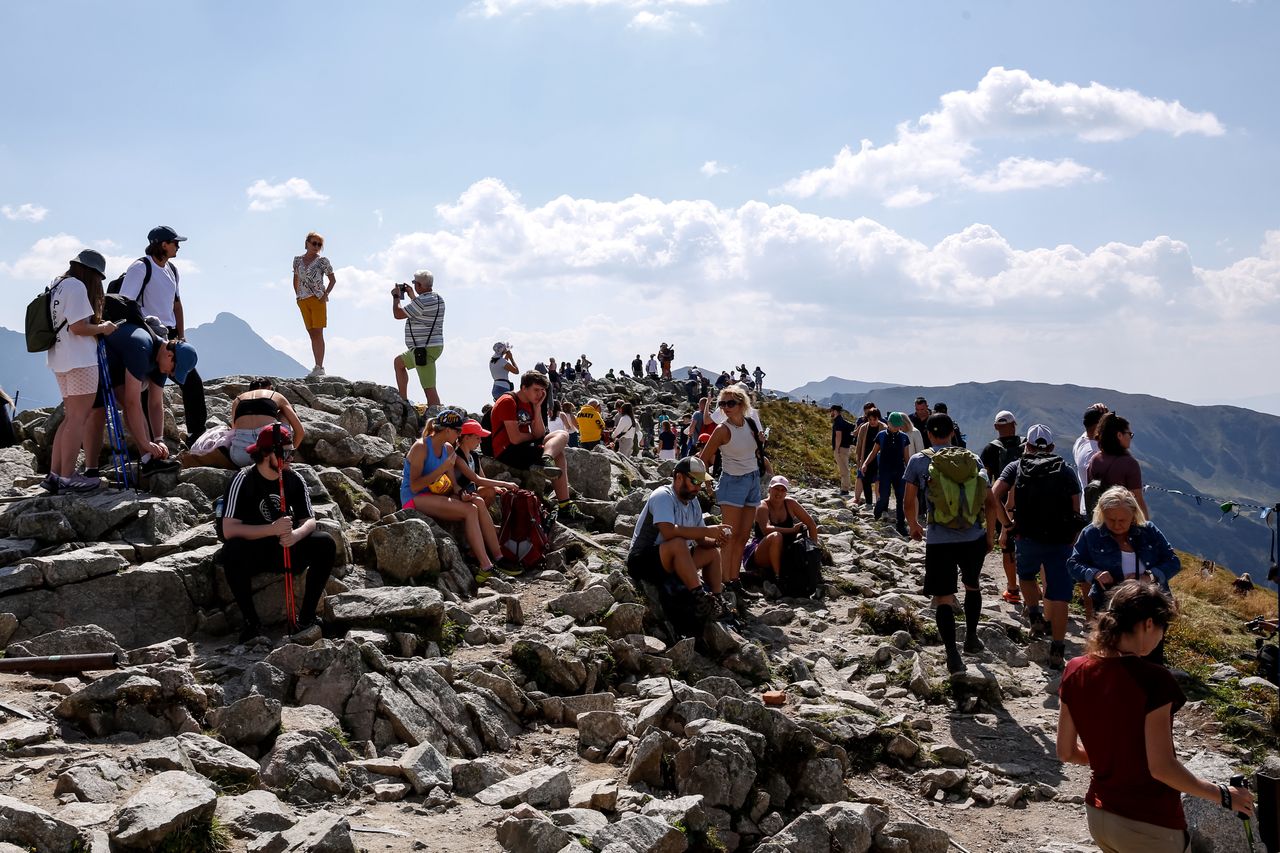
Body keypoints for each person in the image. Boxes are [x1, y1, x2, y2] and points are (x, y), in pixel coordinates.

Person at [1057, 582, 1253, 852]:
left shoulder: (1075, 668)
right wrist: (1222, 795)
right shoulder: (1154, 679)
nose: (1161, 636)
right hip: (1149, 824)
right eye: (1163, 629)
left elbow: (1066, 752)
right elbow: (1161, 768)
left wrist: (1116, 755)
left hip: (1099, 816)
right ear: (1149, 624)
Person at [904, 413, 1007, 674]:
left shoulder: (919, 461)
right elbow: (990, 501)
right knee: (972, 586)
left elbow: (908, 501)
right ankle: (971, 638)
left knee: (944, 597)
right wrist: (989, 535)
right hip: (972, 536)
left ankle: (952, 654)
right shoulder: (972, 458)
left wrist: (915, 525)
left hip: (939, 539)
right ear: (952, 433)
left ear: (928, 434)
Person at [221, 423, 335, 641]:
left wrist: (295, 536)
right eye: (285, 452)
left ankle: (307, 617)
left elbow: (309, 520)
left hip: (287, 546)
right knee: (232, 551)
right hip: (255, 549)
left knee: (325, 543)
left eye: (292, 451)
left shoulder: (294, 479)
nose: (291, 457)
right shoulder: (242, 480)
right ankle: (251, 623)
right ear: (266, 453)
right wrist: (271, 529)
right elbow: (229, 529)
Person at [992, 425, 1081, 669]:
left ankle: (1034, 616)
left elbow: (993, 495)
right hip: (1060, 540)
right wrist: (1073, 535)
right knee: (1059, 593)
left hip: (1026, 536)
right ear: (1051, 447)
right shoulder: (1065, 469)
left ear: (1027, 446)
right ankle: (1058, 648)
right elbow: (1076, 507)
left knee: (1027, 575)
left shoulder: (1016, 466)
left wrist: (1007, 524)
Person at [117, 225, 207, 443]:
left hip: (171, 334)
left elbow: (176, 304)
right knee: (148, 388)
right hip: (147, 333)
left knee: (191, 380)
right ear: (162, 244)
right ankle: (149, 443)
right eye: (175, 243)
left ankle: (196, 432)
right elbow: (124, 303)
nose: (178, 247)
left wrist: (181, 334)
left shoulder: (172, 269)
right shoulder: (140, 268)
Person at [83, 316, 198, 479]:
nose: (171, 374)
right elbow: (132, 403)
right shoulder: (142, 347)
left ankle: (148, 460)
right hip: (94, 360)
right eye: (173, 370)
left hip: (118, 365)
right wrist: (145, 443)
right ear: (170, 355)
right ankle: (90, 470)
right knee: (98, 413)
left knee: (130, 404)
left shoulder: (161, 361)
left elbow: (156, 404)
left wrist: (158, 440)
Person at [41, 250, 117, 493]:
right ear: (92, 272)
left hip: (59, 358)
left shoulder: (58, 284)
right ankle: (68, 477)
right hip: (80, 360)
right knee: (78, 419)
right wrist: (104, 328)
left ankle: (54, 475)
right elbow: (78, 327)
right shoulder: (76, 288)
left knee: (69, 418)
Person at [401, 409, 505, 574]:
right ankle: (486, 566)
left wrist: (462, 494)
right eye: (458, 431)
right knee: (470, 510)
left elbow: (453, 485)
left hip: (437, 495)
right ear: (447, 430)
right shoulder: (420, 447)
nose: (460, 434)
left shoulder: (448, 449)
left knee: (476, 502)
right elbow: (415, 486)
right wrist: (442, 468)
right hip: (414, 498)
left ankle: (499, 557)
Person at [627, 456, 729, 621]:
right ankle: (699, 598)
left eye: (700, 482)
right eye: (694, 481)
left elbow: (701, 539)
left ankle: (717, 598)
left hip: (674, 558)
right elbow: (668, 532)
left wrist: (716, 541)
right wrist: (707, 530)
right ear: (679, 477)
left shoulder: (694, 502)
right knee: (678, 543)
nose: (698, 487)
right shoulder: (663, 496)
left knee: (711, 552)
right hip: (643, 560)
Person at [699, 384, 768, 617]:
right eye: (722, 404)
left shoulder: (749, 424)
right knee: (727, 536)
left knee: (742, 535)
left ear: (742, 404)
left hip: (751, 481)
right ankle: (722, 583)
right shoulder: (722, 430)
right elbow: (703, 458)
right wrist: (708, 484)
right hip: (732, 483)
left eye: (731, 403)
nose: (726, 408)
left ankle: (734, 579)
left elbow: (755, 451)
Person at [1068, 486, 1179, 620]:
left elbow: (1173, 562)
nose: (1116, 525)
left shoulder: (1148, 531)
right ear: (1101, 513)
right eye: (1110, 519)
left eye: (1122, 520)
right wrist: (1095, 574)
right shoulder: (1091, 533)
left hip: (1151, 607)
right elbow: (1073, 564)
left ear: (1133, 514)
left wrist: (1149, 577)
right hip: (1109, 608)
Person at [491, 371, 580, 519]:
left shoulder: (532, 403)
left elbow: (539, 434)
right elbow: (515, 438)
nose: (540, 394)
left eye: (542, 391)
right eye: (536, 390)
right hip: (507, 451)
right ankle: (564, 505)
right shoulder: (508, 401)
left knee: (562, 434)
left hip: (523, 446)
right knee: (559, 454)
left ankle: (547, 459)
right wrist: (532, 436)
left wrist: (537, 408)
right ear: (524, 387)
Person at [183, 378, 307, 470]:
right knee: (284, 414)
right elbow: (300, 431)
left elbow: (234, 429)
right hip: (270, 453)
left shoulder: (238, 399)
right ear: (269, 388)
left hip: (239, 455)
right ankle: (283, 452)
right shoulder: (277, 396)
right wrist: (288, 454)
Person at [982, 410, 1025, 605]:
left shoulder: (991, 449)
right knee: (1033, 546)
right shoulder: (1027, 445)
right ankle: (1039, 589)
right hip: (1029, 505)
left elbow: (986, 479)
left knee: (1007, 546)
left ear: (995, 427)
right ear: (1014, 425)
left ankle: (1012, 589)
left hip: (1001, 505)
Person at [743, 475, 819, 585]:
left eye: (783, 490)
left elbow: (811, 524)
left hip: (784, 550)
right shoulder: (762, 506)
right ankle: (778, 578)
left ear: (786, 492)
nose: (779, 493)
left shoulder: (790, 503)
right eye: (776, 489)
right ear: (769, 489)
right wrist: (792, 530)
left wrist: (812, 553)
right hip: (761, 551)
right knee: (776, 536)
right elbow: (766, 530)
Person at [1071, 403, 1109, 619]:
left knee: (1089, 566)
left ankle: (1090, 615)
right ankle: (1094, 617)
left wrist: (1099, 413)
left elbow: (1089, 429)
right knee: (1098, 568)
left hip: (1087, 511)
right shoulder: (1095, 455)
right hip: (1097, 513)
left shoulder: (1081, 442)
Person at [391, 270, 445, 405]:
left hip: (423, 349)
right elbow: (422, 310)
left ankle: (436, 420)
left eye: (415, 283)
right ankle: (403, 400)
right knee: (399, 363)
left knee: (429, 388)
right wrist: (412, 296)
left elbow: (398, 314)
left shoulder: (421, 302)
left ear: (420, 285)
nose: (413, 285)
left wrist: (396, 297)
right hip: (430, 346)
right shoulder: (437, 298)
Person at [1086, 413, 1150, 519]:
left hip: (1100, 518)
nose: (1130, 437)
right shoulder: (1129, 463)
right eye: (1129, 434)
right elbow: (1137, 498)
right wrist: (1146, 526)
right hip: (1122, 520)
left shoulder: (1095, 459)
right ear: (1119, 435)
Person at [292, 232, 336, 378]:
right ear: (307, 243)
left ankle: (320, 366)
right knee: (311, 333)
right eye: (314, 243)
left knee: (318, 332)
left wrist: (325, 295)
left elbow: (332, 280)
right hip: (303, 300)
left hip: (317, 299)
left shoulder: (322, 261)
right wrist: (297, 296)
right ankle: (316, 366)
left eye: (319, 244)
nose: (316, 246)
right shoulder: (297, 260)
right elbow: (296, 278)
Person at [861, 412, 912, 536]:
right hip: (884, 471)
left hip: (900, 471)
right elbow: (874, 452)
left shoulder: (904, 437)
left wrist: (910, 471)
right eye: (894, 425)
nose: (896, 428)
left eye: (898, 426)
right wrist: (865, 463)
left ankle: (901, 525)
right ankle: (877, 513)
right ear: (888, 423)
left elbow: (907, 457)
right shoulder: (881, 435)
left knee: (901, 498)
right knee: (884, 496)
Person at [454, 419, 514, 508]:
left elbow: (483, 479)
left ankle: (480, 517)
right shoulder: (457, 457)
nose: (480, 441)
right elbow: (477, 480)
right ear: (466, 438)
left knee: (491, 490)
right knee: (488, 491)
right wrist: (505, 483)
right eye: (477, 438)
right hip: (460, 495)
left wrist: (496, 487)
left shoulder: (474, 455)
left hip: (470, 492)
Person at [1073, 403, 1110, 492]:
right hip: (1095, 504)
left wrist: (1094, 409)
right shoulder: (1094, 453)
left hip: (1086, 504)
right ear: (1099, 426)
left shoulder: (1081, 441)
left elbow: (1090, 428)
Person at [853, 408, 885, 509]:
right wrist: (858, 459)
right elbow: (859, 444)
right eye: (870, 419)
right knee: (865, 479)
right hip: (865, 456)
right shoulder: (863, 428)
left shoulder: (884, 428)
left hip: (879, 459)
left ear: (878, 418)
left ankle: (880, 503)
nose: (872, 422)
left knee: (879, 481)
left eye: (874, 420)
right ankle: (869, 502)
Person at [829, 405, 856, 497]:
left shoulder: (838, 422)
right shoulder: (843, 421)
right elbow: (853, 427)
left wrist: (837, 448)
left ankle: (845, 489)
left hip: (841, 448)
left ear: (835, 411)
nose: (830, 413)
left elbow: (838, 436)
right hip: (845, 447)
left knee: (843, 469)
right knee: (844, 467)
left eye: (831, 411)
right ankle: (845, 487)